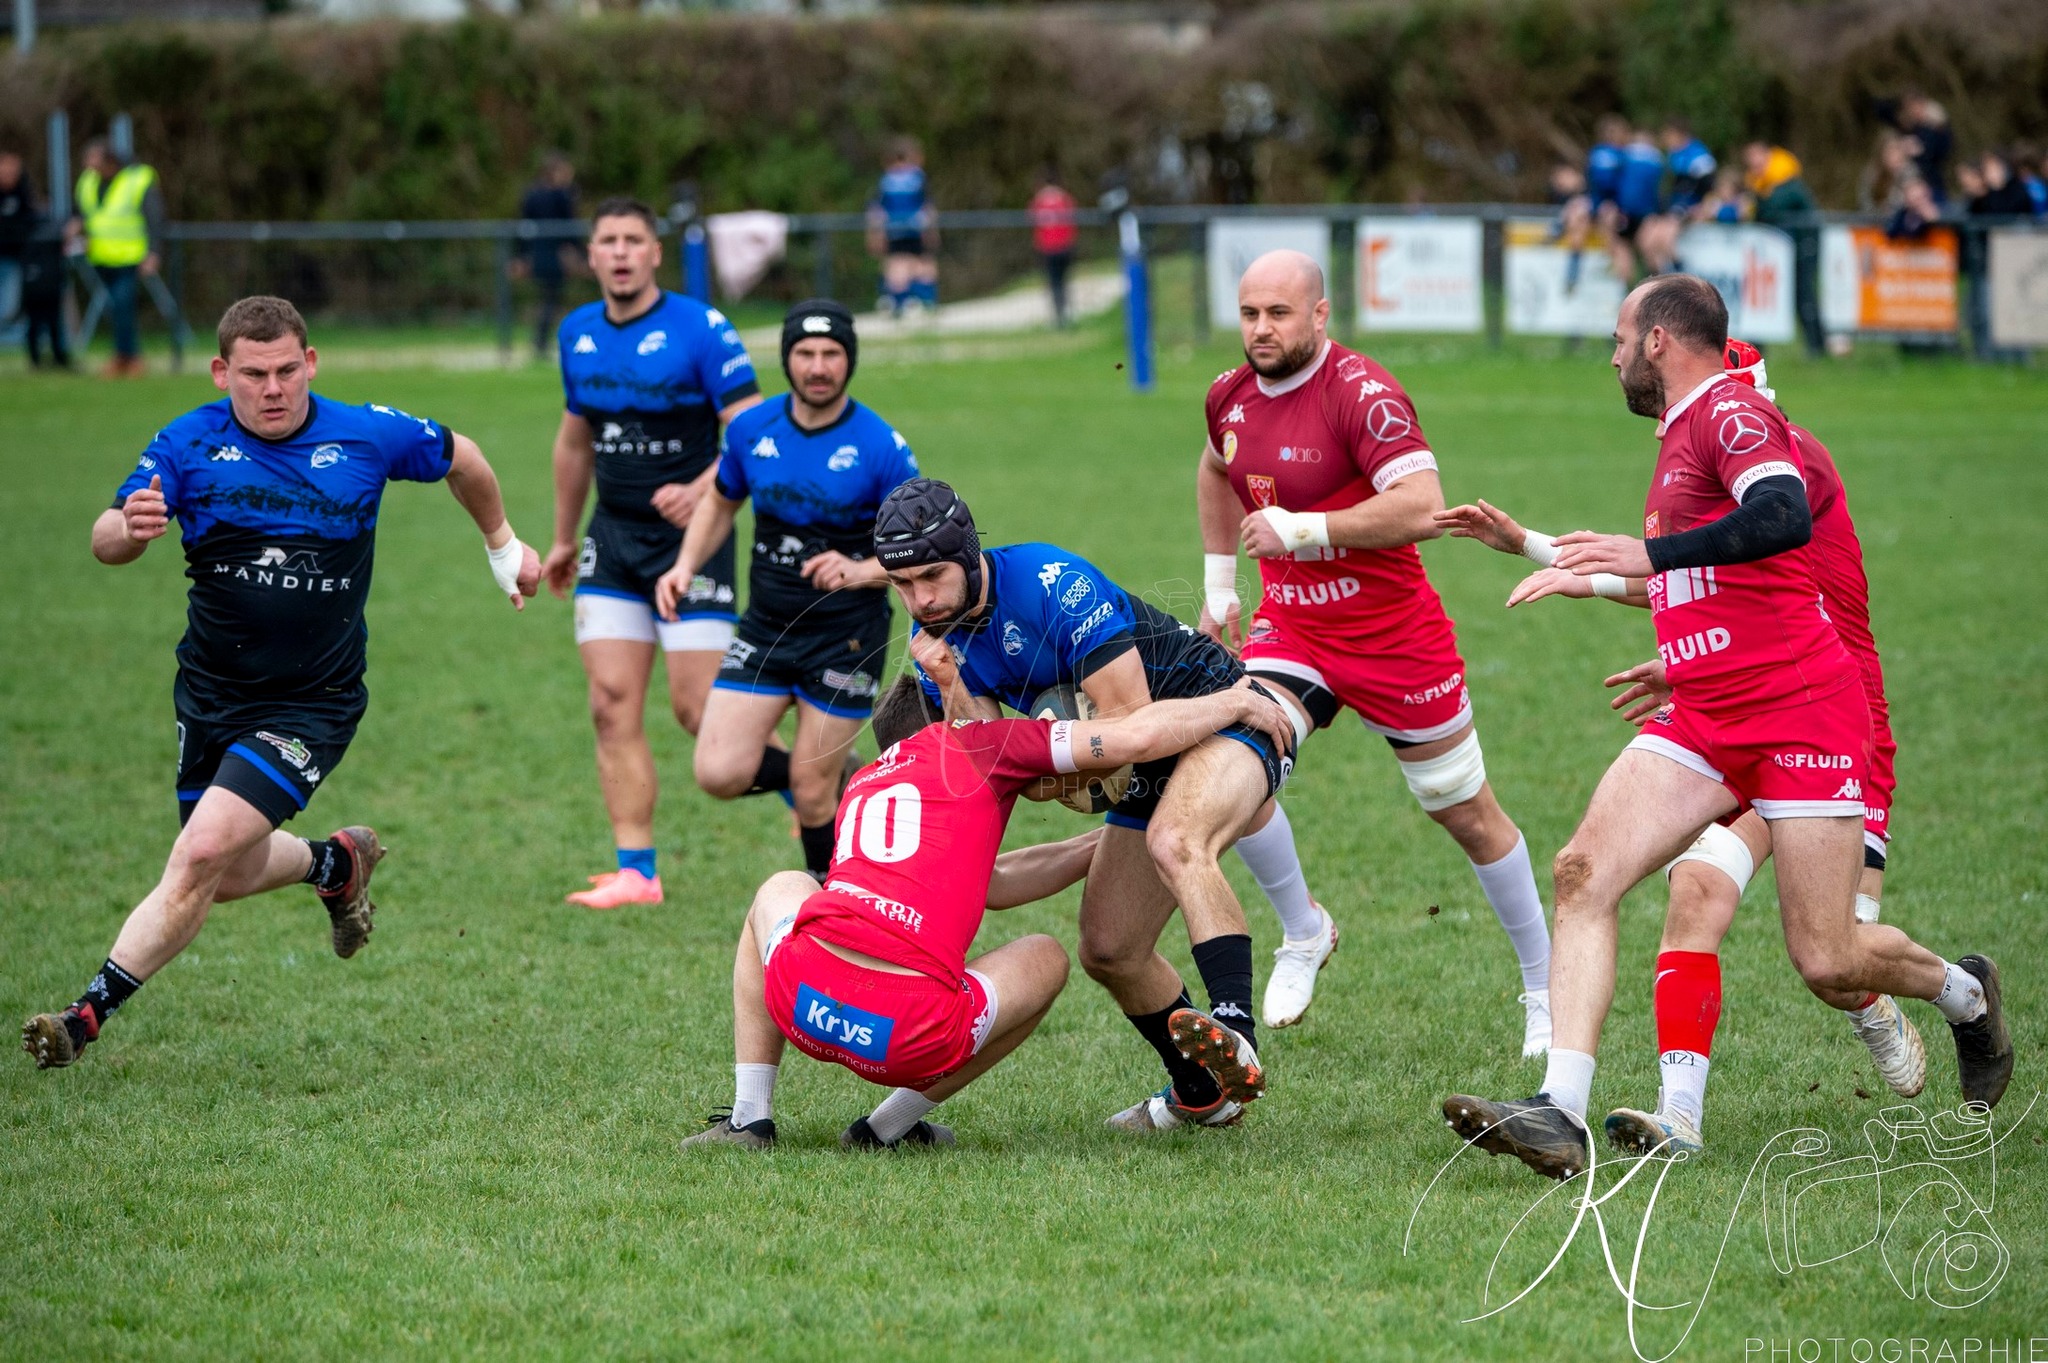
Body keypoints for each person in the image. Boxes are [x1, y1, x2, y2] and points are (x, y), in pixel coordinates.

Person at [1436, 275, 2014, 1181]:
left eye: (1620, 338)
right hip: (1710, 715)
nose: (1613, 356)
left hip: (1802, 715)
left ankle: (1965, 994)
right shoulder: (1680, 436)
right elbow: (1691, 573)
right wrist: (1548, 553)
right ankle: (1559, 1110)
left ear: (1659, 340)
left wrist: (1648, 554)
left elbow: (1779, 516)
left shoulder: (1729, 413)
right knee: (1584, 870)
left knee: (1828, 958)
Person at [20, 296, 541, 1070]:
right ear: (221, 372)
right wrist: (129, 527)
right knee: (226, 873)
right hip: (210, 692)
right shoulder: (188, 441)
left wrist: (503, 546)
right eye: (254, 374)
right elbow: (104, 538)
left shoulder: (366, 434)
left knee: (199, 853)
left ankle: (83, 1017)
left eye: (287, 371)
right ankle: (335, 864)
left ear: (311, 363)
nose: (273, 389)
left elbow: (462, 456)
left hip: (311, 702)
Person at [682, 675, 1294, 1150]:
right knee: (1047, 956)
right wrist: (1232, 702)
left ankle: (749, 1117)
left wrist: (1112, 850)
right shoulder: (980, 742)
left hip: (802, 1001)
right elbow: (1133, 737)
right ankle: (888, 1128)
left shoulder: (867, 782)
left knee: (782, 886)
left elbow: (993, 882)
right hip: (907, 1033)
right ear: (952, 716)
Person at [1197, 249, 1555, 1058]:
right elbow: (1217, 466)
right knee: (1233, 765)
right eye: (1250, 313)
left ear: (1320, 314)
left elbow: (1424, 506)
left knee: (1464, 811)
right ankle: (1304, 930)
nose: (1261, 329)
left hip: (1395, 639)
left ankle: (1546, 984)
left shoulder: (1365, 395)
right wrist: (1220, 586)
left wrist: (1301, 528)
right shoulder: (1227, 394)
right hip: (1293, 631)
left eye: (1279, 313)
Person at [875, 478, 1313, 1131]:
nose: (921, 600)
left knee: (1176, 841)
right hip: (1143, 757)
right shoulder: (935, 641)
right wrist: (952, 681)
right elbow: (998, 763)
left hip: (1226, 714)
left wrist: (1061, 776)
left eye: (932, 577)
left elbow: (1130, 720)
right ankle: (1203, 1094)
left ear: (966, 553)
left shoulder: (1053, 584)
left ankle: (1236, 1035)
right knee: (1109, 947)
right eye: (903, 585)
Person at [540, 198, 762, 910]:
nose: (621, 252)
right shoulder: (576, 333)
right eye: (608, 240)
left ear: (655, 252)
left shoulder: (701, 328)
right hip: (613, 540)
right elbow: (575, 443)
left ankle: (814, 782)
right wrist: (565, 537)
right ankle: (637, 871)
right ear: (591, 254)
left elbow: (754, 432)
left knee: (699, 712)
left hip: (693, 543)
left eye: (634, 240)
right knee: (610, 705)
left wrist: (702, 491)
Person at [653, 300, 918, 881]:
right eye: (805, 353)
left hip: (846, 637)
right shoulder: (752, 430)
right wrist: (684, 565)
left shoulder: (880, 446)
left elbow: (921, 551)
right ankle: (841, 773)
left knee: (811, 793)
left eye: (831, 354)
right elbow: (720, 502)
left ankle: (826, 902)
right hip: (767, 628)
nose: (818, 367)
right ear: (787, 358)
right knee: (718, 772)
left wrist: (858, 569)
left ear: (849, 361)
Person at [72, 138, 164, 378]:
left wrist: (154, 252)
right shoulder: (88, 181)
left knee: (123, 306)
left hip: (130, 257)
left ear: (110, 161)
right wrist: (76, 228)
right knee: (115, 309)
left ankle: (129, 357)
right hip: (100, 257)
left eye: (94, 161)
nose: (89, 167)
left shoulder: (137, 179)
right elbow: (83, 213)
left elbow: (155, 218)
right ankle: (123, 356)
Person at [517, 151, 578, 360]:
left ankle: (541, 340)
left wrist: (522, 254)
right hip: (552, 255)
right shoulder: (560, 196)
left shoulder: (533, 194)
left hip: (540, 253)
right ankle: (541, 341)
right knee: (551, 297)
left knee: (549, 297)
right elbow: (569, 228)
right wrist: (576, 253)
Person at [867, 137, 937, 318]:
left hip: (893, 230)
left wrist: (875, 234)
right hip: (915, 228)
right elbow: (927, 207)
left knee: (896, 264)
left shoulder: (885, 180)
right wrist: (932, 231)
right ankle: (925, 301)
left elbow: (876, 211)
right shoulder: (917, 177)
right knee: (923, 263)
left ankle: (898, 303)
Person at [1029, 168, 1079, 328]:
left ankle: (1059, 317)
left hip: (1049, 248)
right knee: (1064, 281)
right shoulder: (1064, 198)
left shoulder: (1039, 201)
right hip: (1064, 246)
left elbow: (1034, 222)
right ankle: (1065, 315)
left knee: (1053, 282)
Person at [0, 151, 36, 331]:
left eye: (14, 171)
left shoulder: (23, 193)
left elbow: (31, 220)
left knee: (9, 305)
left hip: (14, 257)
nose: (10, 175)